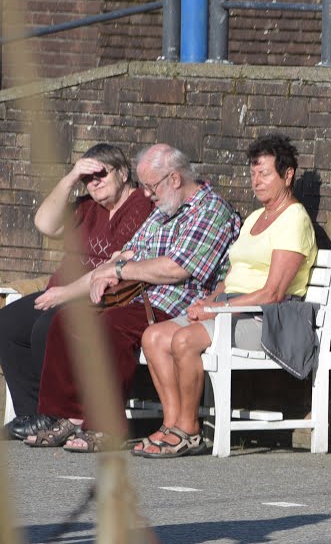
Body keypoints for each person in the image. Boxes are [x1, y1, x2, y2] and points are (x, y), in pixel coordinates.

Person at [25, 144, 240, 452]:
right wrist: (106, 273)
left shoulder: (211, 211)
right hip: (139, 298)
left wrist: (123, 270)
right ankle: (67, 415)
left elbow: (176, 269)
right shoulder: (165, 211)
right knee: (67, 319)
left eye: (151, 187)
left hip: (175, 304)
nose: (147, 195)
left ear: (175, 179)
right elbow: (129, 252)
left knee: (109, 326)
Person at [133, 134, 317, 457]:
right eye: (253, 174)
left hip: (267, 318)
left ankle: (189, 431)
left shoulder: (295, 220)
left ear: (287, 175)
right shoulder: (255, 218)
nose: (256, 182)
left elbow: (272, 293)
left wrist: (220, 309)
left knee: (184, 341)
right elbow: (232, 275)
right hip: (233, 306)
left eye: (265, 174)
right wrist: (210, 300)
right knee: (154, 336)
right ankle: (172, 424)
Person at [0, 144, 152, 441]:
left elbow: (120, 264)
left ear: (122, 173)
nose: (93, 182)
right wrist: (71, 178)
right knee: (7, 323)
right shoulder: (86, 207)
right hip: (61, 289)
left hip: (105, 296)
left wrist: (65, 294)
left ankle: (55, 415)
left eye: (100, 174)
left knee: (47, 325)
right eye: (87, 178)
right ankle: (30, 412)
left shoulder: (144, 207)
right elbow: (44, 223)